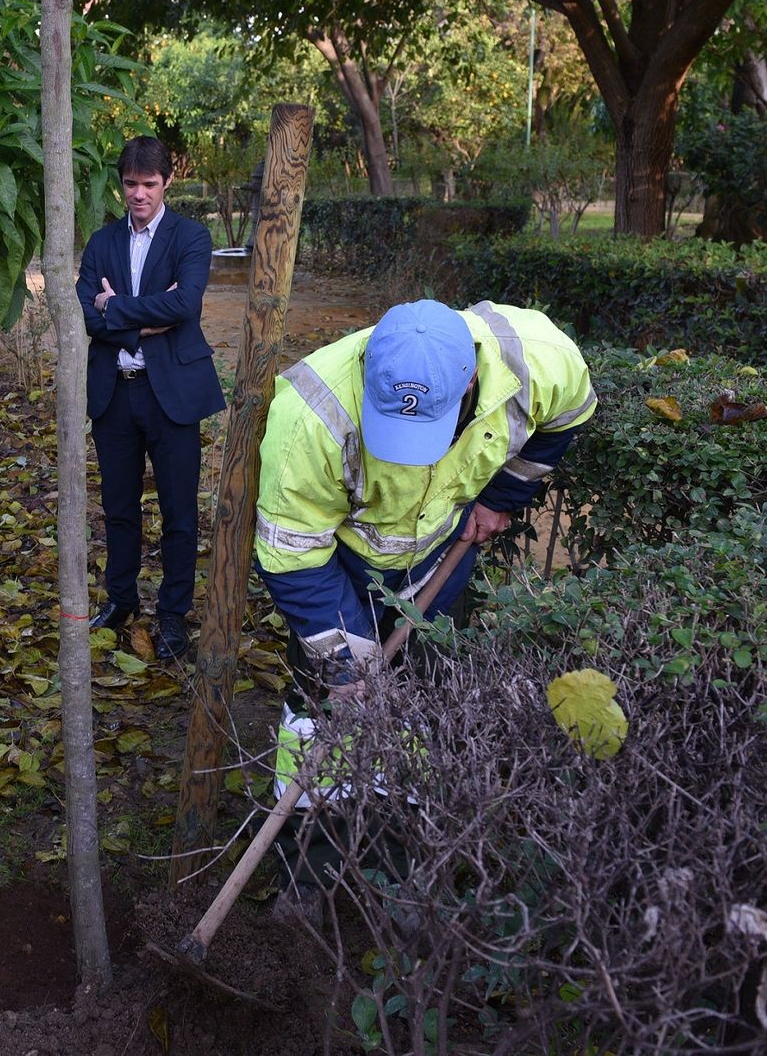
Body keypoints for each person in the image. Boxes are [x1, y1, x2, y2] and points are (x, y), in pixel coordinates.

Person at [254, 298, 596, 910]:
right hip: (340, 570)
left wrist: (502, 494)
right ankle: (311, 869)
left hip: (442, 558)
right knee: (322, 718)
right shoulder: (312, 413)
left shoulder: (537, 361)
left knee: (422, 708)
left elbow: (569, 413)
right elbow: (293, 553)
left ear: (470, 382)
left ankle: (400, 866)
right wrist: (345, 661)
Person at [76, 135, 226, 660]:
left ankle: (171, 615)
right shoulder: (101, 242)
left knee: (179, 512)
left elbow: (185, 304)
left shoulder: (191, 237)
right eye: (130, 184)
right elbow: (87, 311)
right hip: (115, 394)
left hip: (173, 397)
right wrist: (144, 319)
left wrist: (117, 309)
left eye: (149, 184)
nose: (138, 194)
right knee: (118, 508)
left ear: (167, 183)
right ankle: (121, 601)